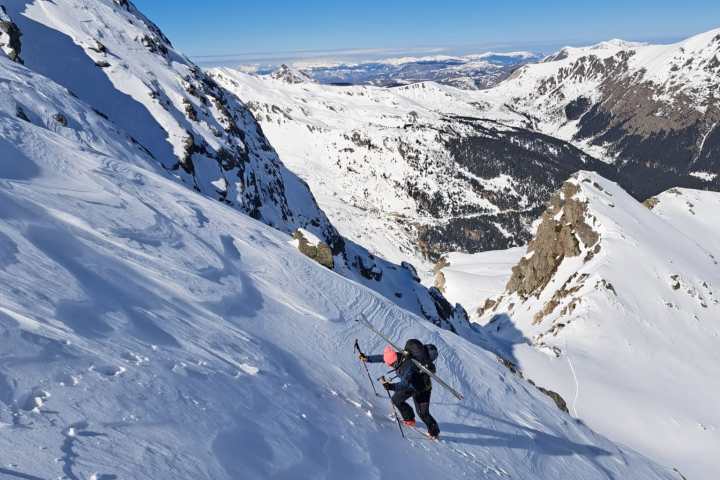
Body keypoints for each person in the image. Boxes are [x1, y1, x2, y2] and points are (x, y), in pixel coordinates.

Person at [360, 339, 440, 439]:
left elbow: (404, 384)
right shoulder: (399, 356)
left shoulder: (408, 369)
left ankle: (434, 432)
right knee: (396, 400)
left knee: (423, 413)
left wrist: (390, 386)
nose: (389, 365)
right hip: (411, 384)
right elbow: (383, 358)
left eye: (390, 364)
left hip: (422, 389)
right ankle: (409, 419)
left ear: (393, 362)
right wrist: (367, 358)